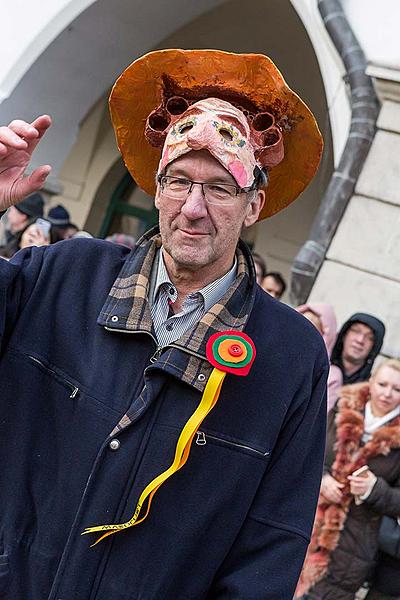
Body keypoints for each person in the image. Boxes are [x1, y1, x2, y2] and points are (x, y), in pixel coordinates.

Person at [0, 49, 327, 599]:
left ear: (253, 206)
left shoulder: (291, 355)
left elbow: (271, 546)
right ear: (156, 189)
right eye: (177, 181)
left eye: (220, 188)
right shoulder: (63, 274)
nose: (192, 208)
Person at [295, 358, 400, 600]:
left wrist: (375, 490)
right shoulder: (343, 408)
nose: (387, 394)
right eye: (383, 384)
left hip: (351, 545)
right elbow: (306, 448)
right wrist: (321, 477)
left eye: (397, 389)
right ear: (371, 382)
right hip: (306, 523)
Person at [297, 303, 343, 411]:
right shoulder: (273, 354)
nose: (302, 334)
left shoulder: (331, 377)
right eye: (299, 325)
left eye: (311, 331)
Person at [331, 313, 386, 385]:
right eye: (356, 331)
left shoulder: (371, 388)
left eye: (370, 337)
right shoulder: (319, 368)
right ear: (344, 335)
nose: (360, 340)